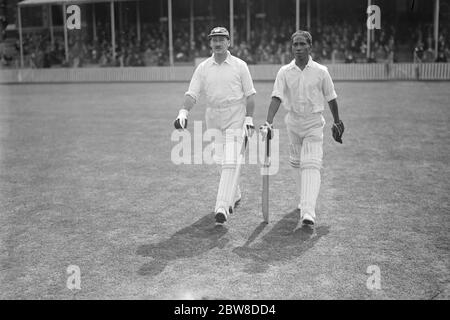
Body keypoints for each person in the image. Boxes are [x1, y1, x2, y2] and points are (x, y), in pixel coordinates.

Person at [260, 30, 344, 228]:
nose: (298, 48)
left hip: (314, 123)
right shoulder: (284, 72)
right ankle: (303, 201)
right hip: (293, 124)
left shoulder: (321, 71)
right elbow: (277, 96)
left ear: (310, 46)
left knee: (311, 164)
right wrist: (269, 121)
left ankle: (308, 211)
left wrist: (337, 122)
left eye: (302, 44)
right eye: (295, 45)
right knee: (297, 164)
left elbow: (331, 97)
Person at [173, 27, 256, 226]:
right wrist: (183, 113)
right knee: (220, 160)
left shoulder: (240, 65)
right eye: (214, 40)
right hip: (213, 116)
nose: (217, 43)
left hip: (235, 114)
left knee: (229, 160)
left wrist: (249, 119)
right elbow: (192, 94)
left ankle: (221, 207)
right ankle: (234, 194)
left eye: (221, 39)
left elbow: (250, 95)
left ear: (229, 42)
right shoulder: (203, 68)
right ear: (210, 43)